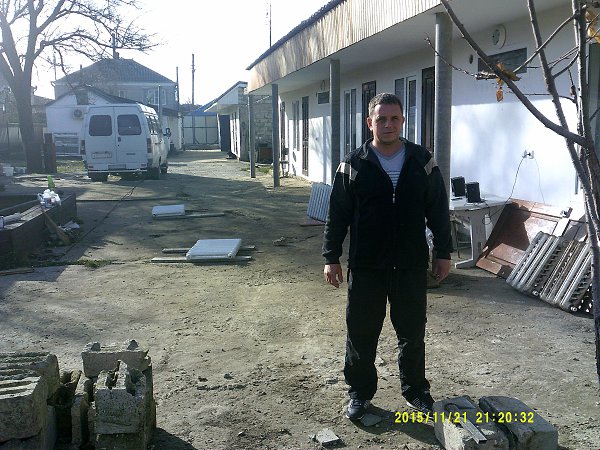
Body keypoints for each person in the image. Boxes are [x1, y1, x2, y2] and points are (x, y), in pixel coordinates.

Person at [322, 92, 453, 420]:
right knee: (361, 332)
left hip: (410, 265)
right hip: (367, 265)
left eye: (394, 118)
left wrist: (444, 252)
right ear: (370, 123)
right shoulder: (353, 164)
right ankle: (360, 392)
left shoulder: (422, 161)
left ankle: (416, 391)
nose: (388, 124)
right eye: (381, 119)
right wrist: (330, 257)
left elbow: (438, 209)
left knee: (412, 332)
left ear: (403, 121)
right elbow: (337, 214)